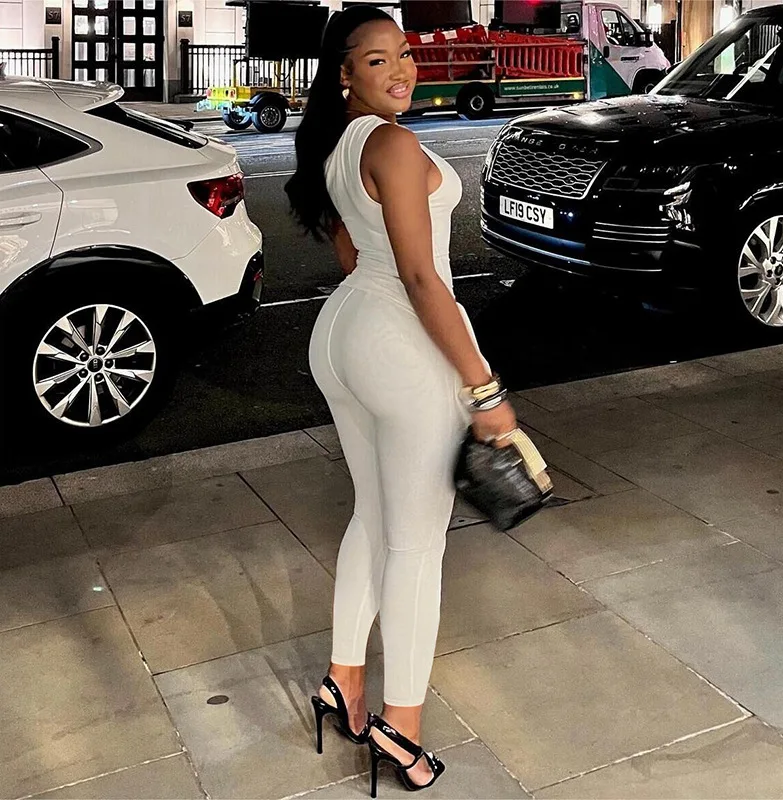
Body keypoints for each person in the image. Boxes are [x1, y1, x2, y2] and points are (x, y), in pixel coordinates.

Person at [285, 7, 517, 795]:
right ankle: (401, 728)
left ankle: (343, 680)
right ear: (345, 74)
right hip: (400, 342)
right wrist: (482, 386)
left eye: (405, 53)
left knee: (374, 517)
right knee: (417, 546)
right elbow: (421, 277)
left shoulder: (337, 146)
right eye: (378, 59)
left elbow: (355, 252)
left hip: (344, 333)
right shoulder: (391, 143)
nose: (402, 69)